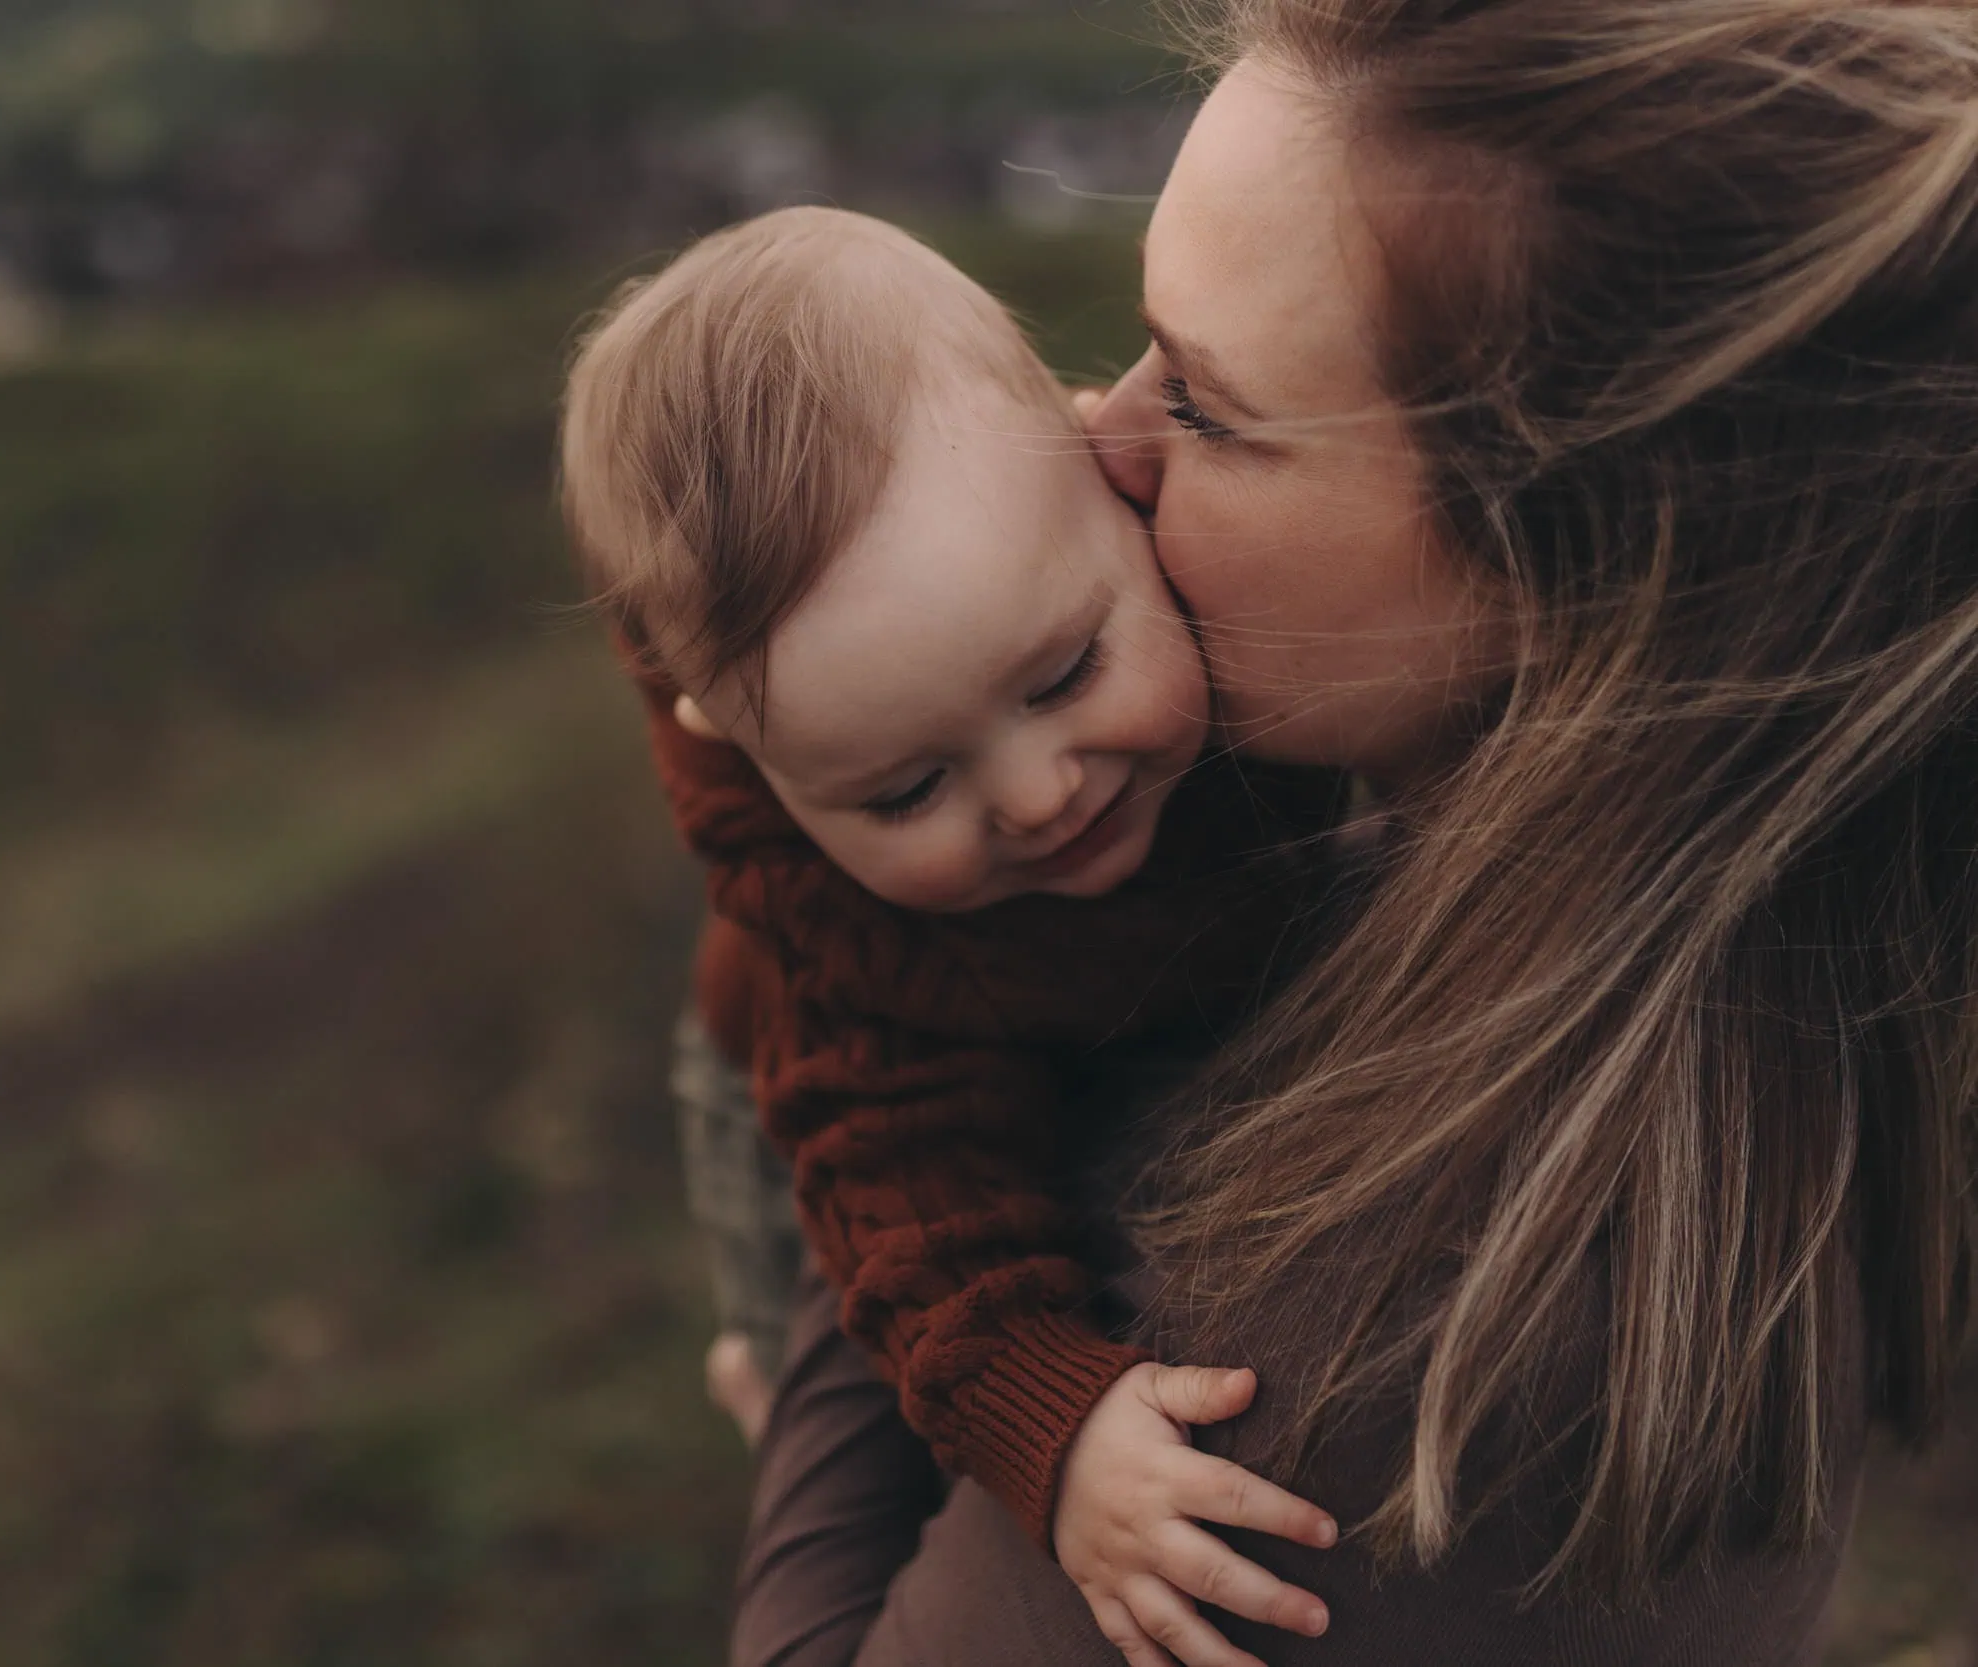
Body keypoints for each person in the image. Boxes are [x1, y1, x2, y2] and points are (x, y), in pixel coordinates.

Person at [730, 0, 1978, 1662]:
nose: (1101, 437)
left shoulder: (1395, 1352)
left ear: (1577, 565)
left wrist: (832, 1366)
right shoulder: (1719, 961)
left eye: (1209, 407)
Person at [559, 206, 1353, 1658]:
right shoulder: (855, 959)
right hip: (781, 1090)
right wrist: (1059, 1428)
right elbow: (922, 1227)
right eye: (907, 789)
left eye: (1063, 676)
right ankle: (761, 1373)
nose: (1040, 795)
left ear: (1108, 471)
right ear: (752, 759)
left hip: (1127, 977)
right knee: (857, 1343)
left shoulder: (1232, 589)